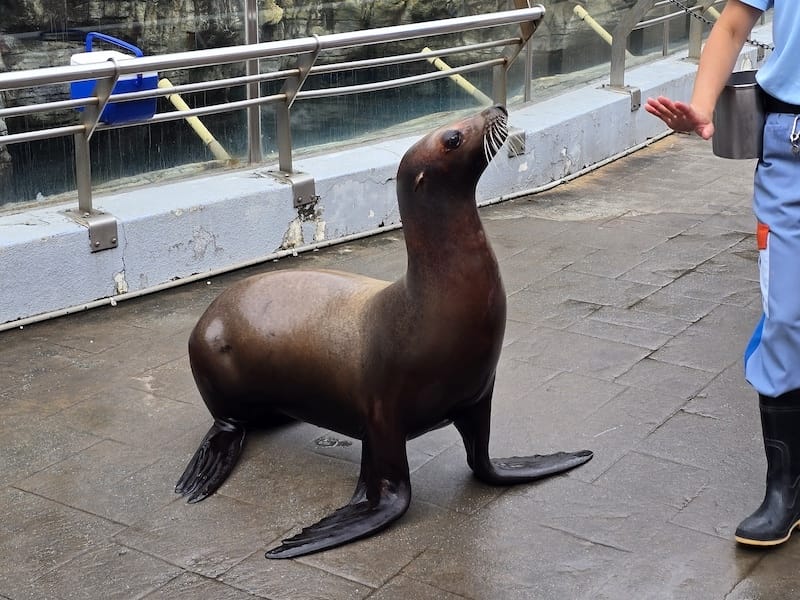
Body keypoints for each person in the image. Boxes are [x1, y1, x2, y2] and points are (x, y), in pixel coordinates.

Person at [646, 0, 800, 548]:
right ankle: (785, 489)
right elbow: (733, 24)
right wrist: (701, 106)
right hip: (790, 147)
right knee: (787, 316)